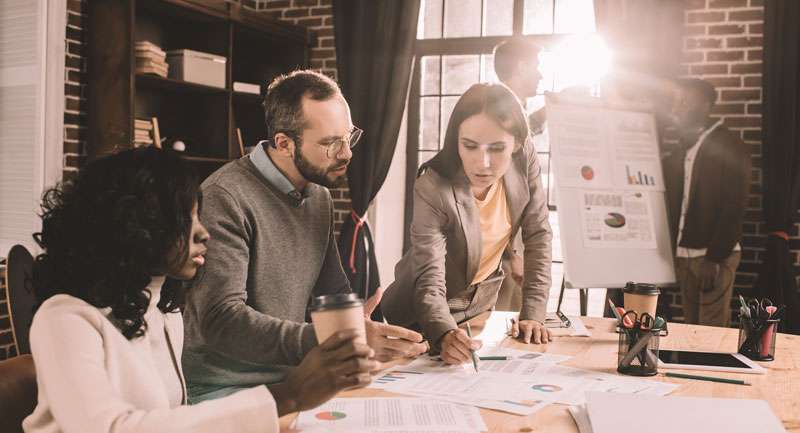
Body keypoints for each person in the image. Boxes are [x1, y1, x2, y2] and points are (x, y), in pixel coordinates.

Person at [23, 147, 377, 433]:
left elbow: (175, 415)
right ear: (135, 225)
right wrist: (287, 395)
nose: (203, 232)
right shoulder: (64, 320)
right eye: (185, 219)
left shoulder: (163, 311)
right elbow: (108, 428)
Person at [182, 70, 427, 402]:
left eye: (348, 136)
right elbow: (221, 319)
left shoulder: (318, 196)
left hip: (296, 374)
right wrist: (335, 341)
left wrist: (361, 328)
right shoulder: (225, 197)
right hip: (226, 388)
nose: (347, 154)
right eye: (330, 143)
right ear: (284, 143)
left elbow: (332, 290)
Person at [380, 83, 553, 365]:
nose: (482, 163)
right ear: (456, 139)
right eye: (470, 146)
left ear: (517, 144)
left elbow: (538, 234)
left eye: (497, 149)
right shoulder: (433, 185)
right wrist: (444, 332)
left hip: (478, 308)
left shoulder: (524, 160)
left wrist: (533, 314)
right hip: (417, 316)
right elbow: (429, 276)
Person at [663, 78, 751, 327]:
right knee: (690, 329)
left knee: (710, 334)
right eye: (675, 101)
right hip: (685, 255)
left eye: (683, 101)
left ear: (703, 106)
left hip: (713, 257)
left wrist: (714, 258)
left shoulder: (730, 146)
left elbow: (734, 206)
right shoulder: (683, 147)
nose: (676, 108)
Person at [492, 39, 546, 312]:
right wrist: (512, 255)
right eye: (536, 66)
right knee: (501, 328)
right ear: (522, 66)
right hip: (504, 252)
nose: (541, 75)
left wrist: (545, 114)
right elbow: (497, 190)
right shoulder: (499, 113)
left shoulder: (511, 110)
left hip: (513, 246)